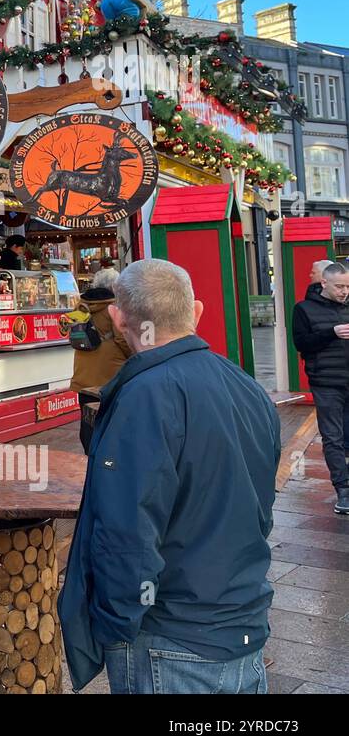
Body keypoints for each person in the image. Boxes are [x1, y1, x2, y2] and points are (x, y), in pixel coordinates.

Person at [59, 259, 281, 694]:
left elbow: (127, 530)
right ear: (196, 311)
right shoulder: (246, 386)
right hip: (242, 621)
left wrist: (118, 621)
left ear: (119, 318)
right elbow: (259, 505)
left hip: (171, 636)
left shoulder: (144, 396)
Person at [292, 262, 349, 514]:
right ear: (323, 283)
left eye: (347, 286)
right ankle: (343, 490)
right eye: (339, 286)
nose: (344, 291)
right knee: (333, 437)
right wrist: (332, 333)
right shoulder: (303, 309)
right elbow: (301, 343)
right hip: (326, 383)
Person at [66, 267, 132, 453]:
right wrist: (135, 357)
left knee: (88, 418)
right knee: (110, 420)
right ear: (114, 285)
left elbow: (71, 336)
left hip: (84, 373)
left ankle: (89, 453)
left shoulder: (80, 305)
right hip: (111, 373)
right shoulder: (114, 308)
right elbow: (122, 339)